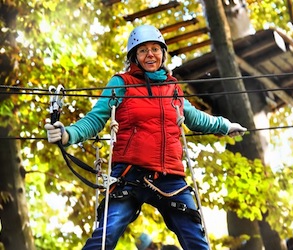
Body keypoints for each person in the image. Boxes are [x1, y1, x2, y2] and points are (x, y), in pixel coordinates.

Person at [45, 24, 247, 250]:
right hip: (129, 174)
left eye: (155, 49)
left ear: (163, 53)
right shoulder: (121, 83)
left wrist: (225, 126)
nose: (150, 54)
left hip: (170, 177)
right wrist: (67, 134)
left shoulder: (173, 89)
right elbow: (95, 119)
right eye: (143, 50)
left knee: (197, 242)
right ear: (134, 56)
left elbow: (196, 118)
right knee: (105, 237)